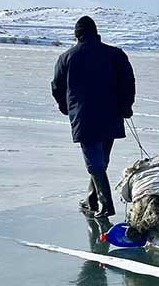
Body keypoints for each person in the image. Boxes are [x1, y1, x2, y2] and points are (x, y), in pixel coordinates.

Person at [51, 15, 135, 218]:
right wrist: (126, 106)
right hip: (111, 114)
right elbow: (128, 82)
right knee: (101, 160)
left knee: (95, 162)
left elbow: (56, 86)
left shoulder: (67, 57)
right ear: (96, 33)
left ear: (77, 35)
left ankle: (106, 206)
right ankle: (91, 199)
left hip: (84, 116)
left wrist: (65, 108)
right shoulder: (116, 54)